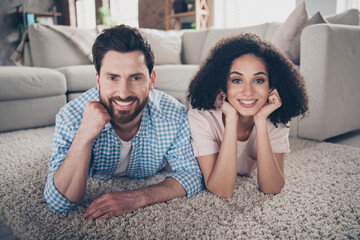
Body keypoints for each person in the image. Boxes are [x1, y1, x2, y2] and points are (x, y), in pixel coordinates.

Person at [44, 24, 203, 219]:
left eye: (135, 78)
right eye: (112, 78)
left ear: (152, 80)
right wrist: (84, 134)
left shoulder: (173, 115)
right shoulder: (71, 117)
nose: (123, 92)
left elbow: (193, 175)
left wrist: (139, 197)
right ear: (98, 80)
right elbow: (58, 202)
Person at [187, 33, 308, 198]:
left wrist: (260, 120)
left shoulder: (274, 117)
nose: (248, 92)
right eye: (237, 80)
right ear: (222, 84)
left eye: (258, 80)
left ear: (272, 85)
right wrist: (231, 118)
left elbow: (272, 188)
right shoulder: (201, 116)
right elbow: (221, 189)